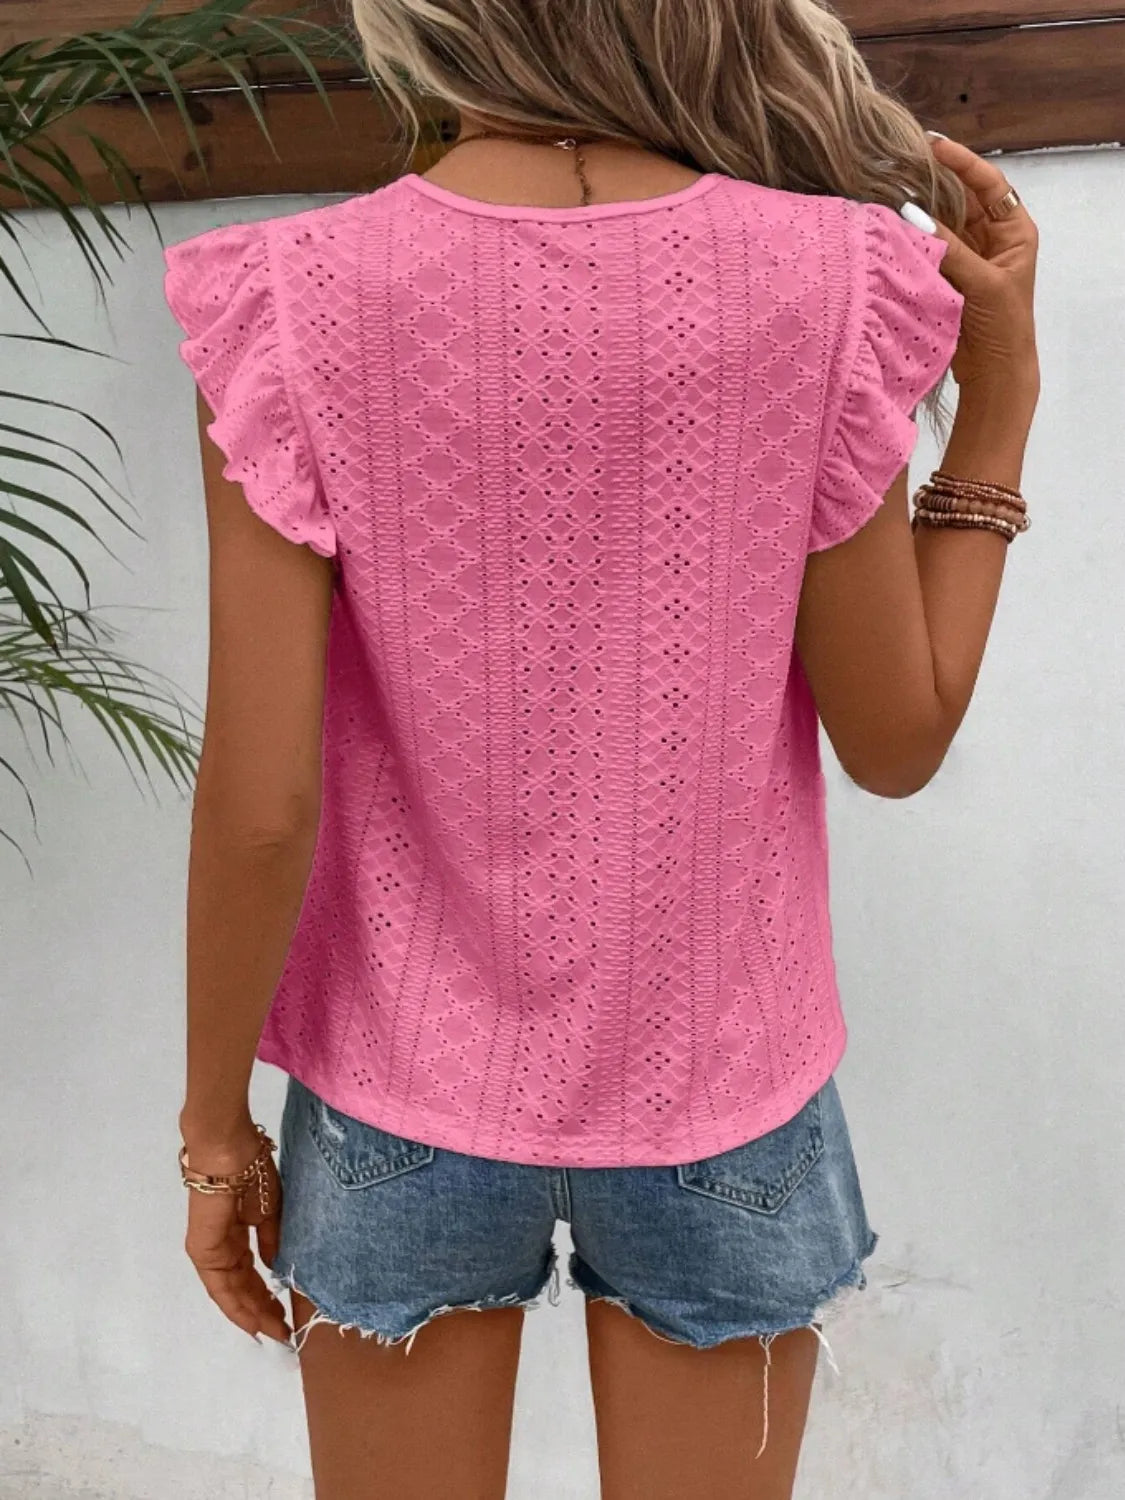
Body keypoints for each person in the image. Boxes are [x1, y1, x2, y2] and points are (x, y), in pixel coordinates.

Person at [163, 0, 1039, 1494]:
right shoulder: (826, 282)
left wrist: (213, 1134)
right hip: (726, 1083)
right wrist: (1000, 407)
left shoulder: (291, 301)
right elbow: (895, 743)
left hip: (396, 1092)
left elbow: (259, 805)